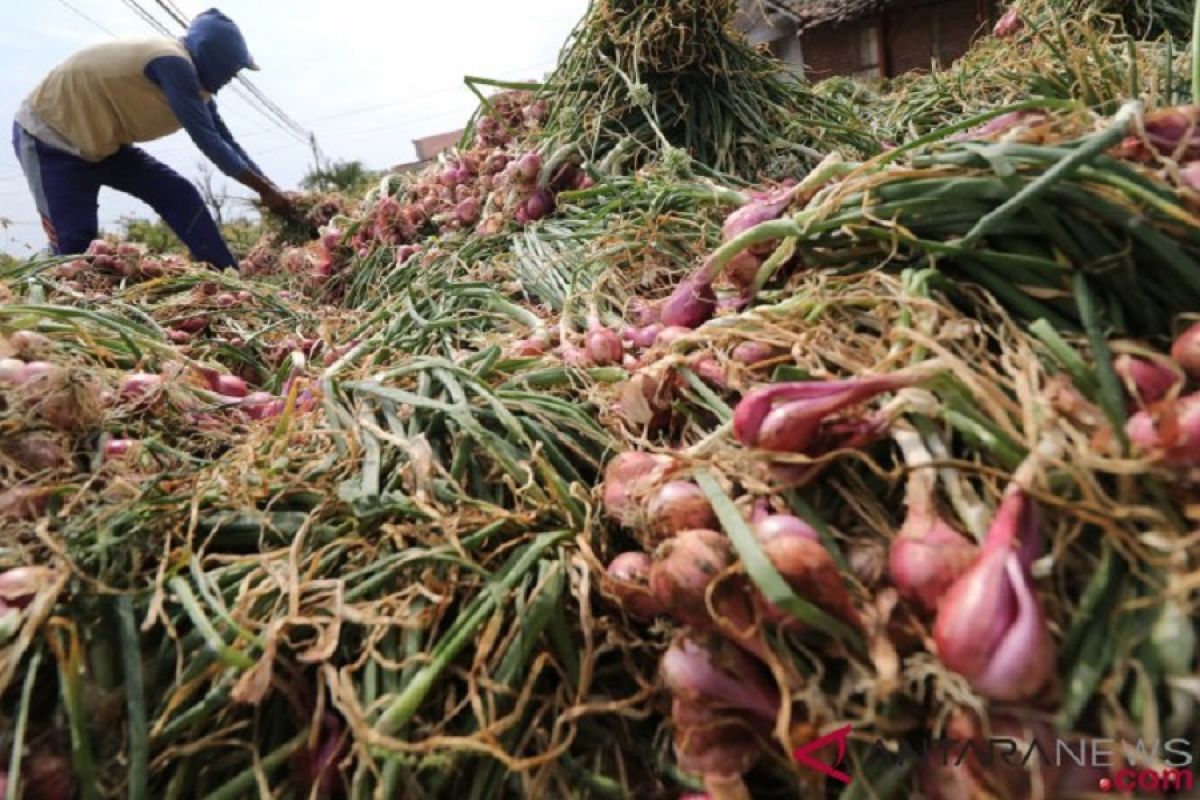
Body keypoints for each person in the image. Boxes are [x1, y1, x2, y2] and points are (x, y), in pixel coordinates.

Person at [10, 8, 294, 269]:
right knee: (75, 247)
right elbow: (210, 142)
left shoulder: (196, 86)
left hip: (105, 146)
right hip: (50, 141)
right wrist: (265, 191)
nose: (231, 78)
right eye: (232, 70)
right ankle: (67, 315)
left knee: (179, 195)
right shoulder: (173, 63)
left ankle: (229, 278)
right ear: (215, 58)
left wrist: (270, 187)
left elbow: (227, 140)